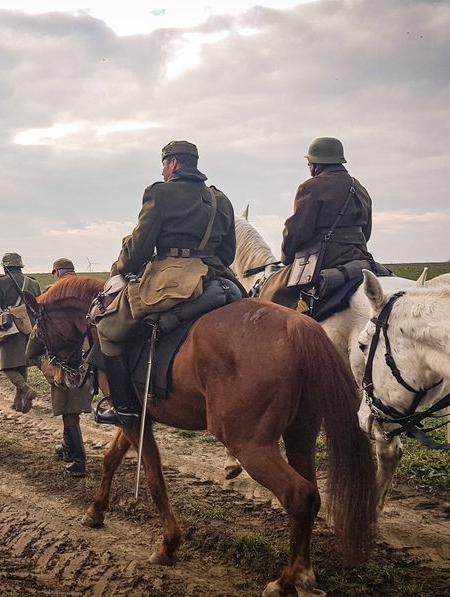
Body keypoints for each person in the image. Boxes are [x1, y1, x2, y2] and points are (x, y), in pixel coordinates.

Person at [95, 140, 242, 427]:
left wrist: (123, 268)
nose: (163, 170)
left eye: (164, 164)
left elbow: (139, 249)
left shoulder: (159, 193)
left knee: (108, 330)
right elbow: (228, 253)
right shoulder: (220, 199)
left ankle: (125, 409)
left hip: (172, 279)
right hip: (219, 277)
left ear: (172, 163)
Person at [259, 137, 377, 310]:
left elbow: (297, 232)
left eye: (309, 164)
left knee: (270, 291)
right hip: (360, 256)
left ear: (315, 164)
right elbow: (366, 233)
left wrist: (287, 258)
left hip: (325, 259)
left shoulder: (310, 187)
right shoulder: (360, 188)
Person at [27, 258, 91, 477]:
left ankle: (78, 461)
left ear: (56, 272)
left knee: (68, 409)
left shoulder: (53, 292)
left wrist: (32, 352)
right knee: (69, 406)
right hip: (88, 357)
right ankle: (67, 448)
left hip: (65, 357)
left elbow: (41, 329)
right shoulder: (85, 290)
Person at [0, 252, 41, 412]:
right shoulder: (33, 283)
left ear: (6, 267)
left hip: (10, 327)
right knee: (20, 363)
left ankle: (25, 389)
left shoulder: (1, 283)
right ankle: (19, 402)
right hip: (29, 327)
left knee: (6, 365)